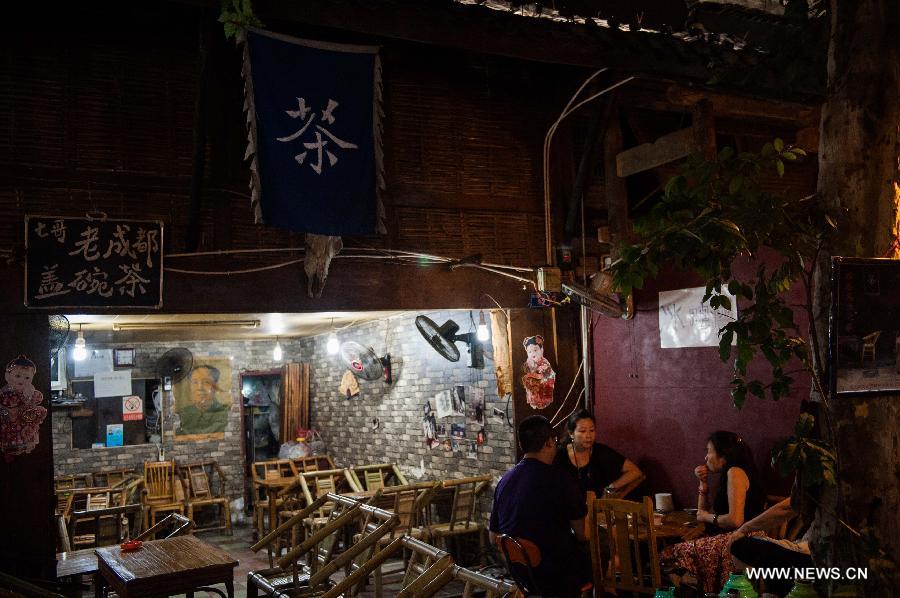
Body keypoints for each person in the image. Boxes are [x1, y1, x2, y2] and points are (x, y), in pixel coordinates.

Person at [490, 415, 591, 596]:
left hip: (522, 575)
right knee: (602, 544)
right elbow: (583, 534)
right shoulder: (562, 480)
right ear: (549, 443)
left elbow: (493, 537)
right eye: (555, 440)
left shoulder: (504, 481)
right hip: (557, 575)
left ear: (522, 445)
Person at [661, 431, 766, 594]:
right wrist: (702, 482)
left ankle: (698, 589)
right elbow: (701, 514)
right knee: (676, 554)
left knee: (669, 555)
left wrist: (706, 517)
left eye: (709, 451)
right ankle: (697, 588)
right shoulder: (732, 472)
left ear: (723, 455)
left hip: (741, 538)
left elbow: (735, 520)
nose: (706, 457)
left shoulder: (735, 472)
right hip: (729, 536)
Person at [728, 490, 814, 597]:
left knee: (738, 545)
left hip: (813, 559)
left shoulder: (823, 480)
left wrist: (744, 528)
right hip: (807, 552)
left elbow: (786, 508)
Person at [553, 408, 645, 499]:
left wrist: (611, 487)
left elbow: (636, 472)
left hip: (597, 509)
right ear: (571, 433)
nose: (588, 436)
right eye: (582, 431)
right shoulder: (560, 453)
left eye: (592, 430)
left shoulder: (600, 451)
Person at [0, 355, 47, 461]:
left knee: (25, 434)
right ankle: (9, 449)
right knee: (11, 435)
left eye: (27, 378)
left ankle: (24, 447)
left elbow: (37, 400)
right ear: (8, 376)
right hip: (10, 419)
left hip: (25, 419)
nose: (22, 380)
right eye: (18, 376)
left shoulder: (29, 391)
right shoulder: (6, 392)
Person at [177, 365, 229, 435]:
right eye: (195, 382)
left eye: (206, 382)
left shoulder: (222, 411)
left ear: (215, 386)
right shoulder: (184, 412)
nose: (199, 388)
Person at [521, 335, 556, 410]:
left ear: (541, 350)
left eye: (535, 350)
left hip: (544, 383)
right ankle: (533, 401)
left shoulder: (544, 363)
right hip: (534, 385)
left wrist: (533, 375)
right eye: (529, 352)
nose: (533, 354)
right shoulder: (529, 362)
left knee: (542, 393)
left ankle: (542, 402)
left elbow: (545, 375)